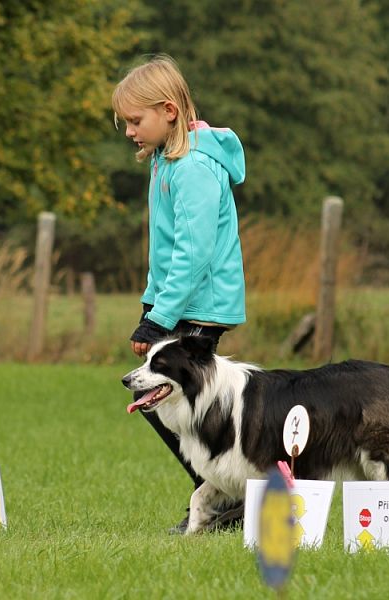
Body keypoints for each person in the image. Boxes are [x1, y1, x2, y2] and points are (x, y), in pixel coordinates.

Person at [112, 55, 247, 534]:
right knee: (169, 400)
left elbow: (192, 255)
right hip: (182, 302)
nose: (129, 131)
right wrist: (152, 306)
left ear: (168, 110)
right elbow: (164, 251)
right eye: (125, 122)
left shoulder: (192, 169)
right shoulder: (167, 164)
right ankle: (223, 497)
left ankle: (226, 500)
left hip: (201, 304)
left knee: (174, 398)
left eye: (135, 120)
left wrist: (159, 317)